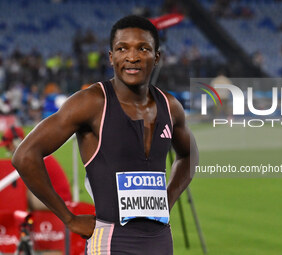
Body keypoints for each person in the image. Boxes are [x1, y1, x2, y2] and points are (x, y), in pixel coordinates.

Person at [12, 15, 198, 255]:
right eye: (122, 49)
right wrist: (68, 218)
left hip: (161, 240)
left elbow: (189, 154)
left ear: (157, 56)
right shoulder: (92, 103)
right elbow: (25, 155)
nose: (132, 57)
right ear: (111, 57)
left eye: (143, 48)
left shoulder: (170, 106)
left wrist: (169, 198)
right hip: (112, 241)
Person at [1, 126, 72, 255]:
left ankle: (15, 238)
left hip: (59, 201)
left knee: (18, 196)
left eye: (9, 145)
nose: (7, 149)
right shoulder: (33, 154)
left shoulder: (29, 157)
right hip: (53, 198)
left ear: (17, 142)